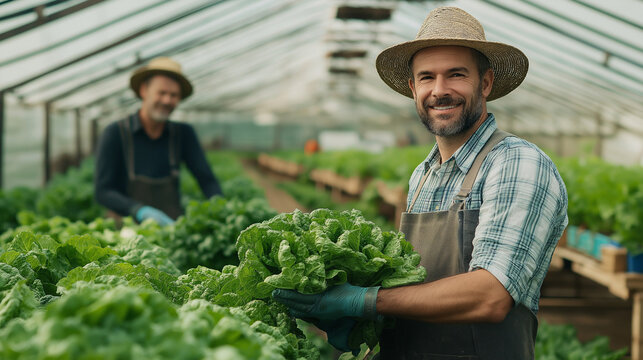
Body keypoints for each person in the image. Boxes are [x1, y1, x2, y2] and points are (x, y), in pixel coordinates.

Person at [273, 7, 568, 359]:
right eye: (427, 77)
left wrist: (365, 300)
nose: (439, 91)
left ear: (485, 82)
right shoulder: (423, 175)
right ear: (413, 88)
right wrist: (360, 321)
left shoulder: (516, 162)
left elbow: (491, 295)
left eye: (456, 75)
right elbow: (414, 287)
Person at [94, 57, 222, 226]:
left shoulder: (183, 134)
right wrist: (138, 210)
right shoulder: (116, 133)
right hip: (125, 232)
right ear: (144, 91)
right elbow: (103, 191)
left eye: (174, 95)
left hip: (171, 227)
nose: (167, 101)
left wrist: (221, 209)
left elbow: (207, 180)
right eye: (161, 93)